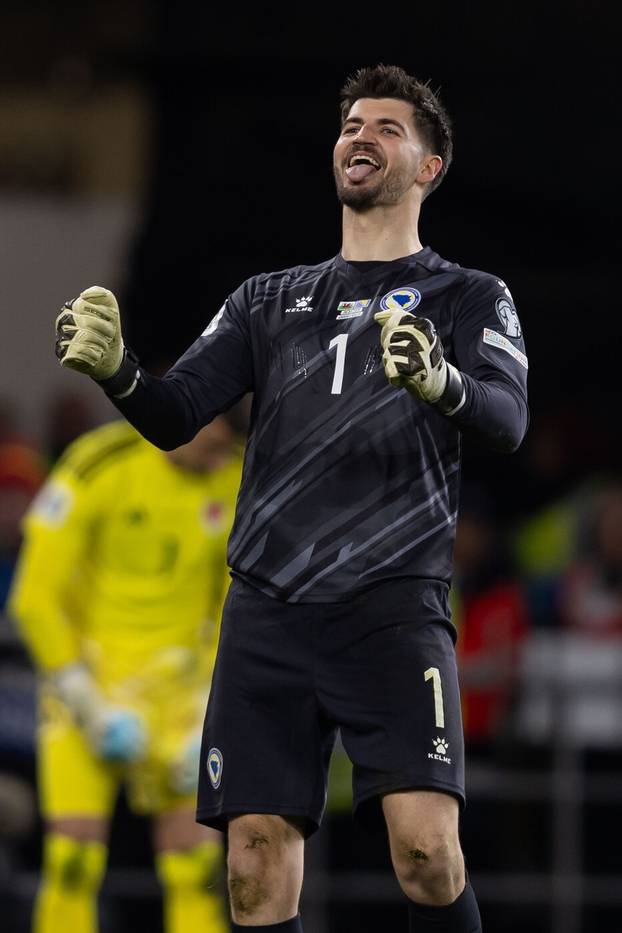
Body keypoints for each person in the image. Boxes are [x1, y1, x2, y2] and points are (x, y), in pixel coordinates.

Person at [53, 64, 529, 932]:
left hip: (391, 608)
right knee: (252, 868)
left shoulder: (470, 295)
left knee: (427, 852)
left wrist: (441, 380)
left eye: (387, 127)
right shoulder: (267, 300)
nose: (360, 135)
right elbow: (176, 414)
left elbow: (507, 420)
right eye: (351, 124)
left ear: (429, 167)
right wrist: (118, 370)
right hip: (268, 613)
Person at [8, 416, 242, 933]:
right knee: (72, 862)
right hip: (87, 689)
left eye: (228, 449)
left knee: (197, 871)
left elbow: (237, 607)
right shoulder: (99, 464)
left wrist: (210, 712)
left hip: (181, 700)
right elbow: (34, 598)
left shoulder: (234, 473)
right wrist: (84, 699)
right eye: (213, 445)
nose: (219, 460)